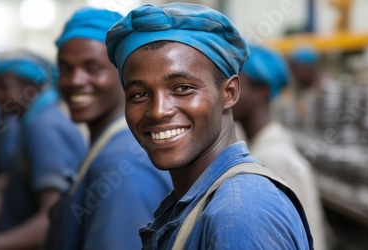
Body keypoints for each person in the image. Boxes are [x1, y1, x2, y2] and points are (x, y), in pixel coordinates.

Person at [106, 2, 313, 249]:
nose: (158, 110)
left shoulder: (240, 213)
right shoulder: (197, 202)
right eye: (139, 94)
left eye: (182, 88)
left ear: (229, 92)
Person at [43, 7, 172, 250]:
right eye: (65, 69)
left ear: (125, 74)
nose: (75, 80)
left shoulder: (123, 166)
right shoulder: (105, 147)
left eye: (92, 68)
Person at [0, 57, 87, 250]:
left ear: (30, 89)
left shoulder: (44, 128)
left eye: (4, 87)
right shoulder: (33, 120)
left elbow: (52, 219)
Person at [233, 45, 327, 250]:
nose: (227, 93)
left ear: (262, 91)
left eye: (237, 84)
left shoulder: (272, 160)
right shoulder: (266, 150)